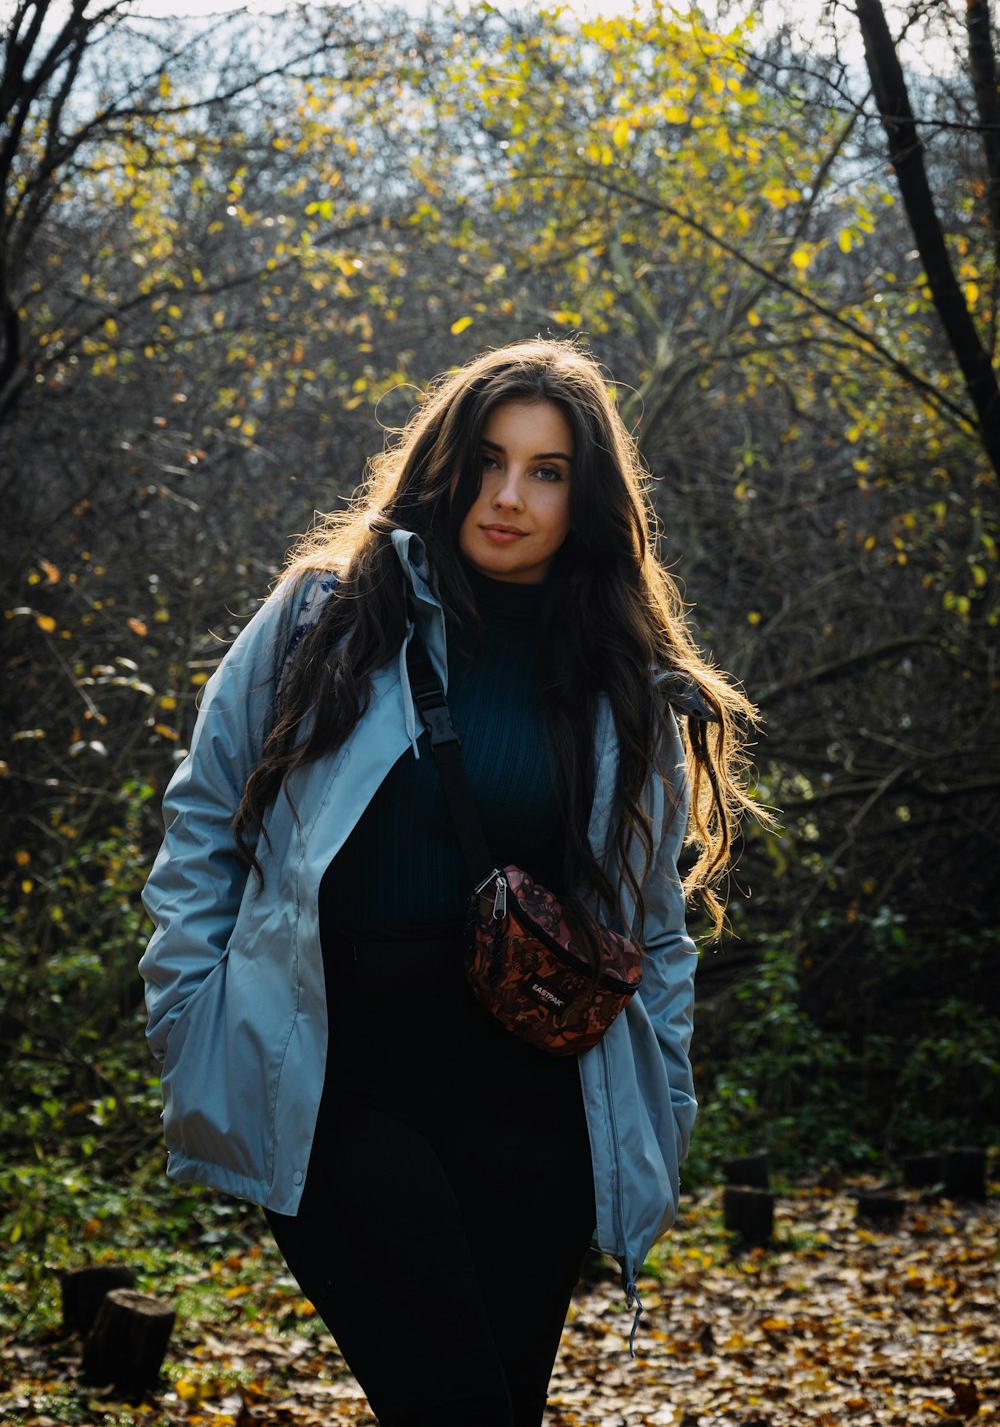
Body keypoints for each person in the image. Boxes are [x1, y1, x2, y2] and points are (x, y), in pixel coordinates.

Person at [139, 337, 760, 1427]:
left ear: (588, 498)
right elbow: (202, 822)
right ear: (443, 464)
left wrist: (657, 1107)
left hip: (536, 1107)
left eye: (547, 470)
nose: (507, 495)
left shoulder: (620, 684)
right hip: (334, 1081)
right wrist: (191, 1015)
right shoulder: (320, 620)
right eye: (486, 459)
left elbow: (653, 930)